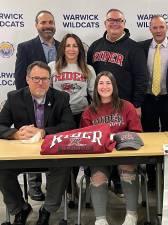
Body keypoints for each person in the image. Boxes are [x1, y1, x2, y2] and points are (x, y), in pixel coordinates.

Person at [0, 61, 76, 225]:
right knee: (2, 168)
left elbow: (69, 126)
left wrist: (43, 132)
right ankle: (20, 209)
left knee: (64, 165)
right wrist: (15, 134)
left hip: (50, 154)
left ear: (50, 80)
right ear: (27, 79)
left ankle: (47, 210)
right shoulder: (14, 97)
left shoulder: (61, 97)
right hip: (23, 156)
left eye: (44, 79)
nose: (40, 83)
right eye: (36, 78)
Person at [87, 8, 147, 195]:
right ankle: (101, 182)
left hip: (125, 108)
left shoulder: (134, 48)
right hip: (99, 107)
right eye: (111, 20)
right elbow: (89, 76)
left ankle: (120, 181)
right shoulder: (95, 46)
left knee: (122, 145)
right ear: (105, 23)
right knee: (102, 144)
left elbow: (141, 78)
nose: (115, 23)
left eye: (119, 20)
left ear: (124, 23)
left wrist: (136, 104)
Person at [80, 71, 142, 225]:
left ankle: (131, 215)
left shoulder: (126, 106)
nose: (105, 86)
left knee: (127, 168)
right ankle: (100, 219)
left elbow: (136, 133)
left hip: (123, 153)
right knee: (98, 175)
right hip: (100, 155)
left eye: (108, 83)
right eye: (101, 83)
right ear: (96, 87)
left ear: (114, 86)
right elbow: (87, 139)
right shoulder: (89, 111)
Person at [14, 10, 59, 201]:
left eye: (50, 22)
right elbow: (19, 78)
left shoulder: (62, 46)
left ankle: (53, 184)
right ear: (36, 25)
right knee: (32, 141)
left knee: (51, 140)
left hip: (56, 102)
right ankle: (34, 186)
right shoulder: (25, 47)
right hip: (32, 101)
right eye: (43, 23)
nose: (47, 26)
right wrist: (27, 102)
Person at [138, 15, 168, 189]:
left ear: (167, 28)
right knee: (149, 138)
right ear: (150, 29)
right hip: (148, 98)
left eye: (161, 27)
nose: (158, 31)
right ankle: (151, 178)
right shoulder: (141, 47)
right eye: (154, 28)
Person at [49, 33, 96, 197]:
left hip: (80, 116)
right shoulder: (52, 67)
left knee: (77, 152)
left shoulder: (88, 69)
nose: (71, 49)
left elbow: (94, 94)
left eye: (75, 45)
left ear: (80, 49)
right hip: (59, 117)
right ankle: (66, 187)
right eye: (68, 45)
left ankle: (75, 185)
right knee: (62, 153)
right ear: (62, 48)